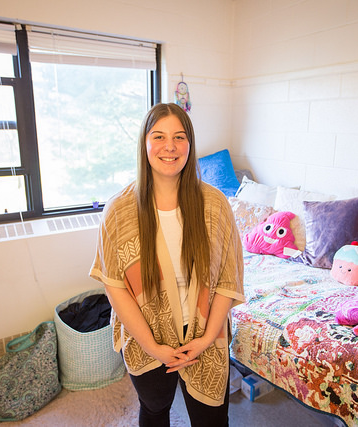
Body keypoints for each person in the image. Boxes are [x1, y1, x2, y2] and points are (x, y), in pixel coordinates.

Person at [90, 102, 244, 427]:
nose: (170, 146)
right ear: (144, 143)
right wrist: (154, 347)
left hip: (206, 335)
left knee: (212, 420)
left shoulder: (216, 205)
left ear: (190, 143)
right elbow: (115, 288)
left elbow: (230, 281)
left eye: (179, 136)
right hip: (147, 340)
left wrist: (205, 340)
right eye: (159, 136)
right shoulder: (118, 211)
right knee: (155, 411)